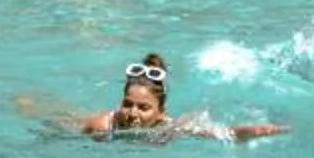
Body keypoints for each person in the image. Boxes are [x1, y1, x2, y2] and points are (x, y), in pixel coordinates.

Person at [80, 53, 285, 142]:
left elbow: (224, 133)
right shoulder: (102, 125)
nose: (132, 113)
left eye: (143, 108)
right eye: (128, 104)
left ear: (161, 112)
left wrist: (259, 129)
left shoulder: (170, 128)